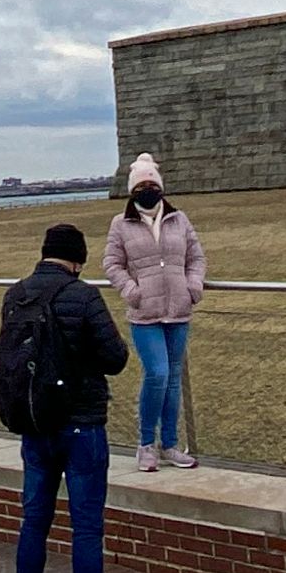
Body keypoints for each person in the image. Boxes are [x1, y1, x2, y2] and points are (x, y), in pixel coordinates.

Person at [0, 223, 135, 573]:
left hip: (35, 425)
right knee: (87, 528)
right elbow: (115, 358)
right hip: (81, 425)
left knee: (34, 521)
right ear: (77, 258)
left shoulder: (16, 294)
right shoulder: (82, 296)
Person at [101, 155, 208, 473]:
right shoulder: (121, 224)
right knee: (158, 374)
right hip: (144, 313)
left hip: (178, 310)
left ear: (160, 187)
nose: (148, 189)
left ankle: (170, 444)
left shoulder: (179, 219)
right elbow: (112, 264)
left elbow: (197, 257)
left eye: (152, 184)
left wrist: (193, 285)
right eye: (141, 185)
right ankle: (146, 444)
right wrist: (132, 291)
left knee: (173, 379)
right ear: (133, 190)